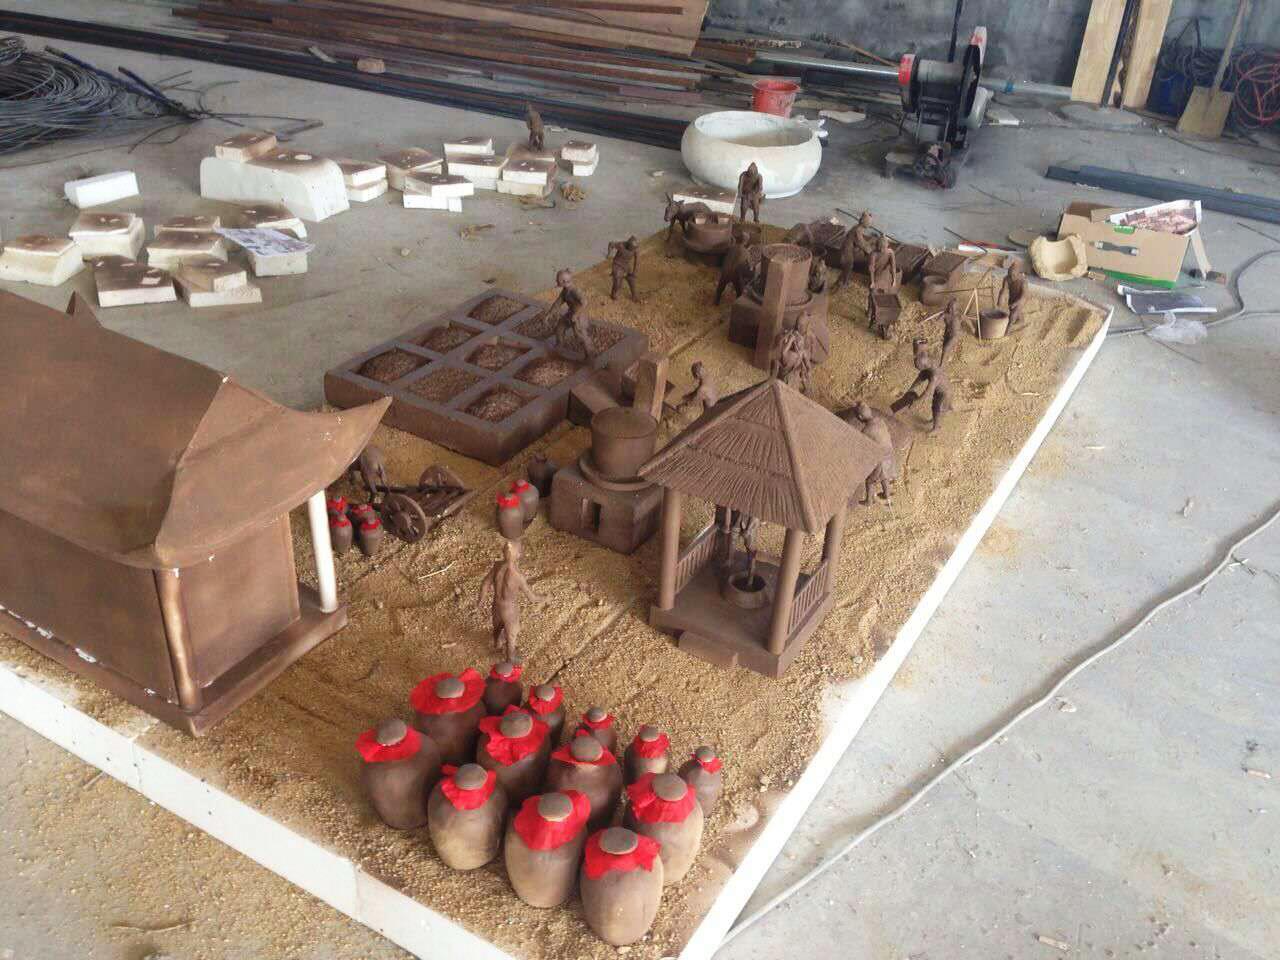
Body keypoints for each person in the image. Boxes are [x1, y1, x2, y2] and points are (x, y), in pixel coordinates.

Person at [478, 540, 542, 661]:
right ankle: (510, 657)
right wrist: (544, 598)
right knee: (511, 634)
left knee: (497, 627)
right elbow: (532, 598)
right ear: (518, 555)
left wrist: (481, 599)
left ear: (503, 551)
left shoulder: (497, 566)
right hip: (510, 610)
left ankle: (497, 644)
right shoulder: (517, 576)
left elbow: (485, 583)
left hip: (496, 606)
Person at [891, 341, 952, 432]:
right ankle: (934, 419)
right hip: (938, 391)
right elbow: (920, 378)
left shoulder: (934, 376)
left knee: (937, 409)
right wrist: (911, 389)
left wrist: (916, 402)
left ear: (924, 366)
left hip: (944, 393)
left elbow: (927, 393)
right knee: (934, 407)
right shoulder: (930, 363)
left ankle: (936, 428)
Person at [847, 402, 897, 506]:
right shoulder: (880, 420)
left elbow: (863, 448)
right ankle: (887, 494)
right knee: (885, 476)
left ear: (860, 417)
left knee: (870, 481)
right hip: (890, 454)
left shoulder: (866, 431)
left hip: (881, 460)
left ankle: (869, 501)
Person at [544, 268, 594, 358]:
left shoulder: (575, 291)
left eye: (558, 280)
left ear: (564, 281)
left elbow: (584, 302)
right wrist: (549, 314)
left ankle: (590, 354)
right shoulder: (565, 290)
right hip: (570, 313)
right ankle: (559, 346)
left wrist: (576, 314)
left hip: (579, 316)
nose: (556, 281)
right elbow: (558, 303)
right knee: (560, 328)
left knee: (580, 336)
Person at [770, 313, 815, 395]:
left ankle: (806, 389)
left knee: (803, 374)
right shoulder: (792, 340)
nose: (799, 345)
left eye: (801, 325)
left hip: (795, 370)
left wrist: (808, 371)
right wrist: (790, 340)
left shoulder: (803, 352)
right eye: (798, 324)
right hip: (787, 367)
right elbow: (783, 352)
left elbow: (808, 365)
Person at [608, 236, 640, 302]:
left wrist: (634, 272)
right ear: (628, 245)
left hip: (626, 265)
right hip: (617, 264)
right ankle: (614, 294)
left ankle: (634, 296)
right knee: (618, 281)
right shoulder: (621, 245)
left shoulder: (635, 249)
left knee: (631, 280)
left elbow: (637, 261)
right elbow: (611, 244)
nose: (633, 250)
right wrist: (609, 253)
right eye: (632, 248)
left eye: (634, 248)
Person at [998, 259, 1027, 329]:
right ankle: (1021, 321)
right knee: (1014, 310)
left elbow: (1023, 296)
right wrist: (1000, 300)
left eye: (1013, 275)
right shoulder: (1007, 279)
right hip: (1012, 297)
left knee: (1013, 315)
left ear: (1018, 274)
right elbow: (1003, 290)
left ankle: (1008, 329)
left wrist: (1015, 303)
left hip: (1021, 299)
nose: (1011, 277)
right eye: (1010, 275)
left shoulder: (1023, 281)